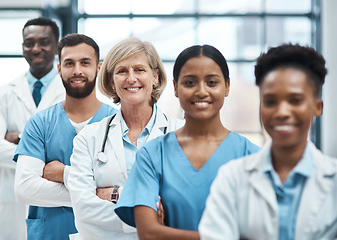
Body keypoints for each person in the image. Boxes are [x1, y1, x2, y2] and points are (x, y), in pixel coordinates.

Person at [114, 44, 260, 240]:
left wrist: (166, 233)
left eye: (212, 82)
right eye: (190, 83)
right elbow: (148, 233)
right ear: (175, 88)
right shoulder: (153, 155)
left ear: (227, 87)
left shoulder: (251, 156)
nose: (201, 91)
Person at [199, 44, 337, 240]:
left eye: (295, 100)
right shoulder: (232, 179)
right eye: (270, 101)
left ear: (317, 107)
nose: (281, 112)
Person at [67, 37, 184, 240]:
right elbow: (84, 212)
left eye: (139, 70)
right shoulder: (88, 138)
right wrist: (149, 217)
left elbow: (184, 206)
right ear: (112, 80)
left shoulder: (181, 134)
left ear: (155, 76)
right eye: (122, 71)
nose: (131, 78)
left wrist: (115, 195)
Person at [12, 33, 117, 240]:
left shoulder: (116, 122)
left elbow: (125, 186)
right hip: (50, 234)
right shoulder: (40, 123)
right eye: (70, 63)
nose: (77, 70)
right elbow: (25, 189)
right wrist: (95, 193)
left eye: (85, 63)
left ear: (99, 68)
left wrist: (66, 175)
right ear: (59, 68)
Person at [0, 17, 64, 240]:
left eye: (44, 42)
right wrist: (42, 150)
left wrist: (19, 138)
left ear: (56, 46)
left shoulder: (68, 93)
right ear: (22, 47)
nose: (36, 48)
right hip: (11, 208)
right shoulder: (5, 93)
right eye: (29, 42)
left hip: (54, 208)